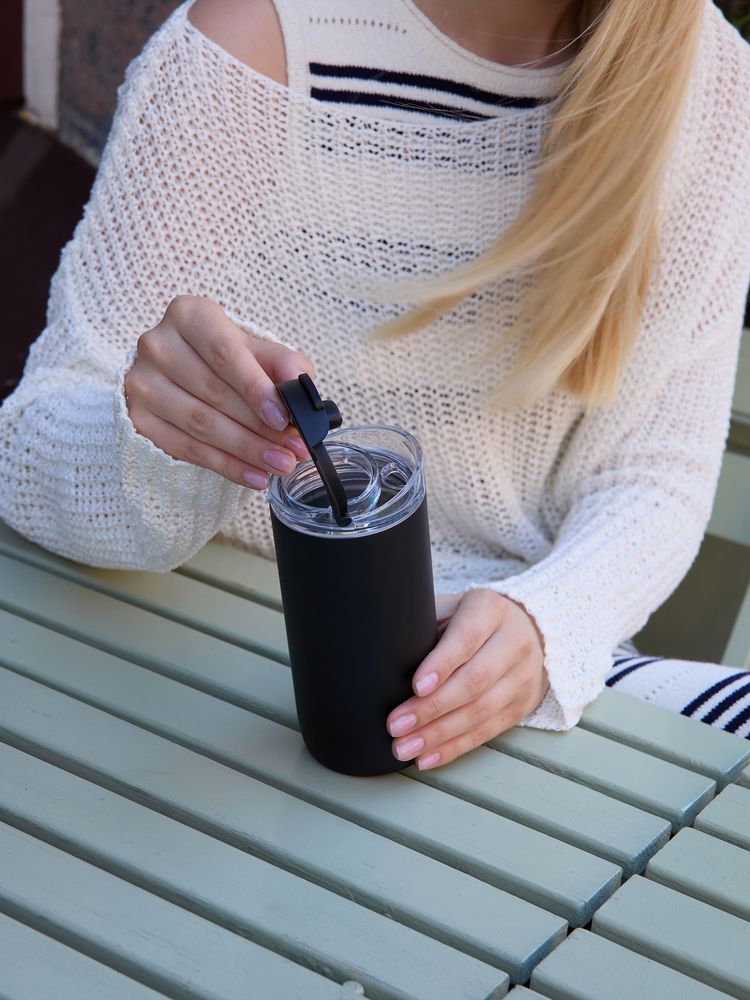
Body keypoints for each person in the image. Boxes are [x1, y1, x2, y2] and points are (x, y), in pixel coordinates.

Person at [1, 0, 749, 769]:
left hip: (511, 686)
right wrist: (164, 446)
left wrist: (548, 622)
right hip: (233, 677)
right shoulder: (257, 41)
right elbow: (29, 457)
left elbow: (654, 473)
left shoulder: (706, 82)